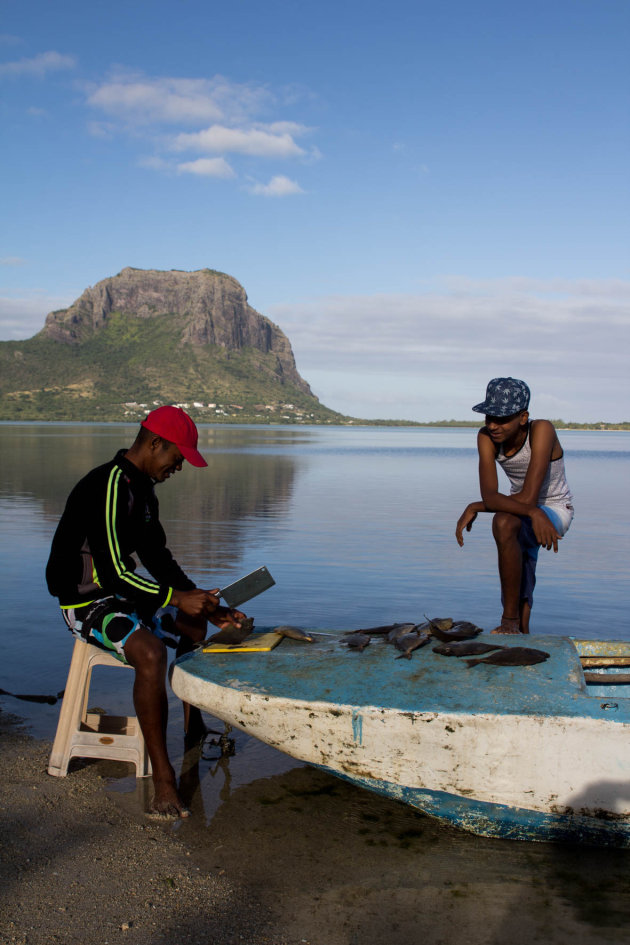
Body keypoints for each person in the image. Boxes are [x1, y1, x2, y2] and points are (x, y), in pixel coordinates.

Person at [46, 406, 245, 816]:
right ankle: (164, 779)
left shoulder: (144, 490)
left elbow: (158, 557)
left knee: (191, 623)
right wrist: (174, 598)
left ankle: (193, 728)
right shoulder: (108, 485)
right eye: (178, 457)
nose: (180, 467)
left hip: (122, 595)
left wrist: (205, 606)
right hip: (86, 603)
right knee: (151, 652)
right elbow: (115, 572)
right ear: (155, 443)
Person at [455, 378, 574, 634]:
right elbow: (489, 494)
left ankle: (509, 623)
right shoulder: (486, 437)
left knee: (504, 522)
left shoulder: (541, 430)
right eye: (489, 417)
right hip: (519, 506)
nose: (493, 425)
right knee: (521, 567)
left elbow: (530, 497)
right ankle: (521, 632)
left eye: (502, 419)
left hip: (554, 507)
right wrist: (527, 511)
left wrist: (477, 506)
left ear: (523, 417)